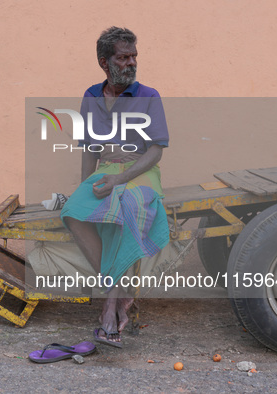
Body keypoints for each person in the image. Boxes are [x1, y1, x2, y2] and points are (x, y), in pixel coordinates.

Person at [60, 26, 170, 347]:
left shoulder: (149, 97)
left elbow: (156, 150)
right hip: (106, 170)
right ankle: (119, 291)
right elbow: (89, 149)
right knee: (74, 211)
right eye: (123, 57)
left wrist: (120, 178)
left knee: (128, 207)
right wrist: (86, 188)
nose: (131, 63)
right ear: (104, 62)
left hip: (140, 173)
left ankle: (110, 306)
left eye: (134, 56)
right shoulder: (91, 97)